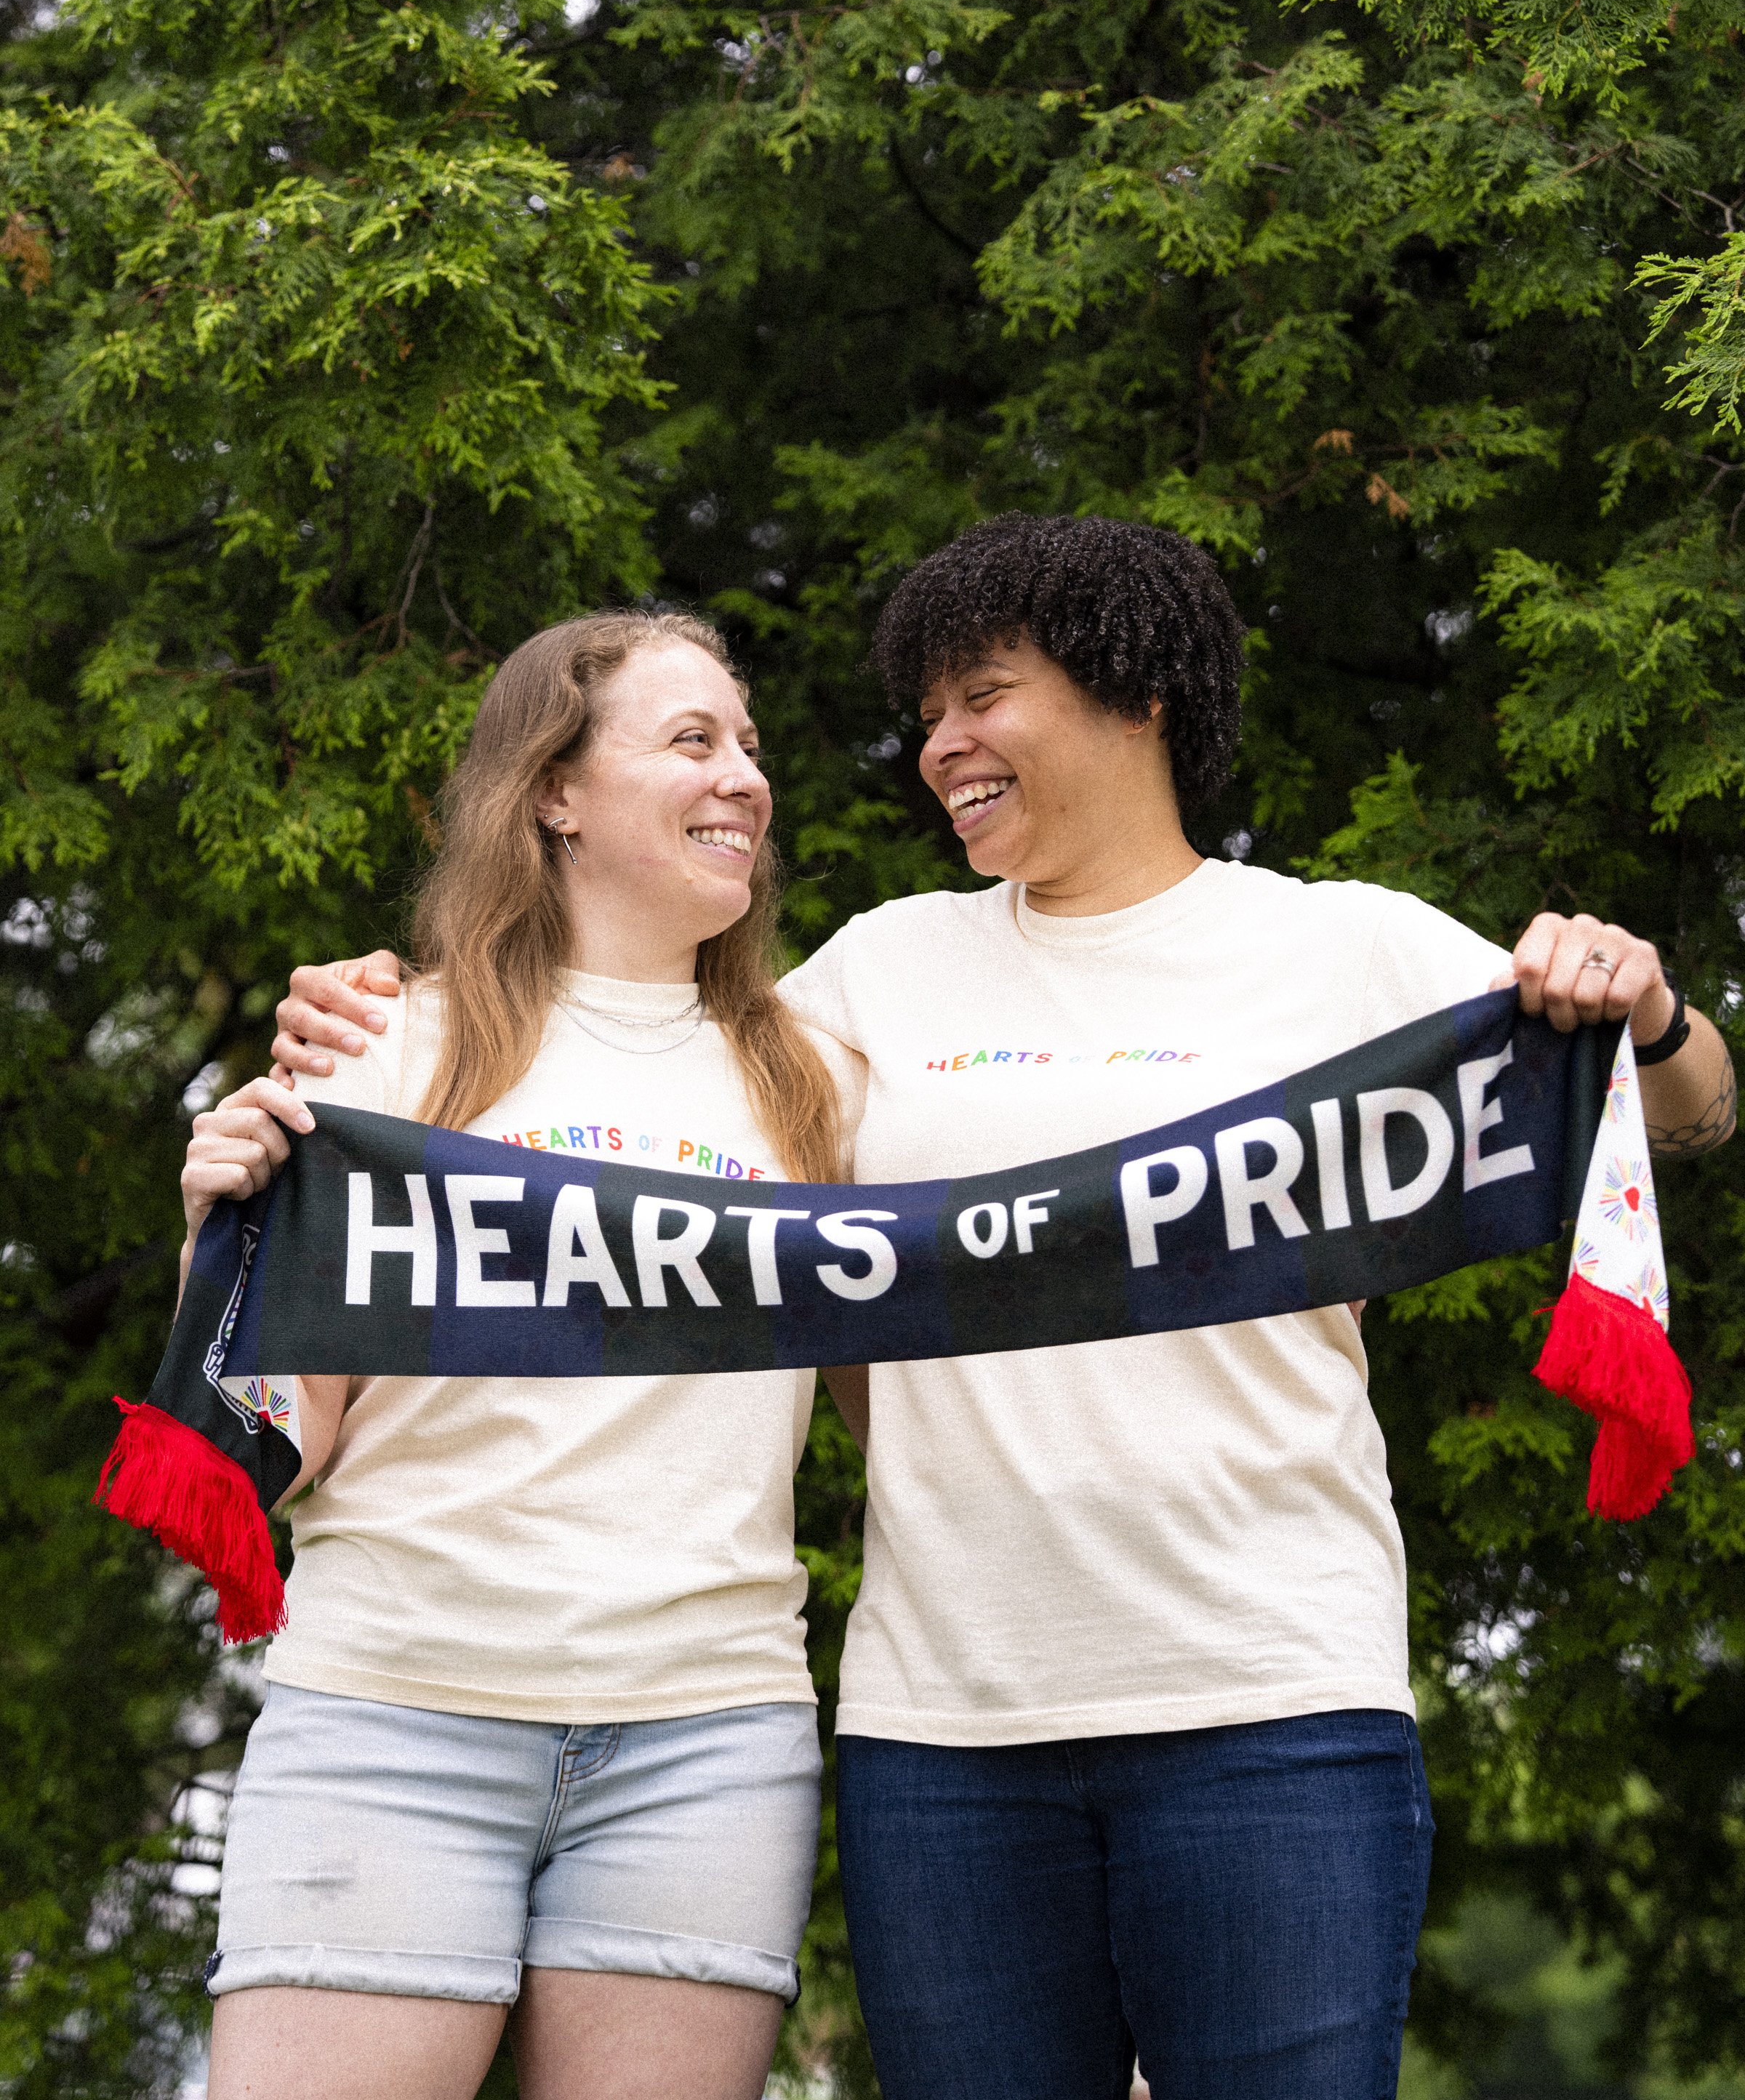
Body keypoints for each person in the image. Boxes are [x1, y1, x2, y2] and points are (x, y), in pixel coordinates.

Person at [276, 515, 1736, 2100]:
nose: (941, 746)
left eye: (983, 696)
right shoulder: (870, 980)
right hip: (945, 1735)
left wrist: (1649, 1009)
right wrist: (383, 1024)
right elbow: (632, 1078)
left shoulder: (1341, 946)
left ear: (1141, 693)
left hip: (1275, 1704)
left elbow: (1684, 1112)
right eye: (928, 715)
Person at [180, 610, 861, 2100]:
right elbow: (277, 1449)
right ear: (555, 790)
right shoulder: (382, 1050)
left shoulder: (821, 1076)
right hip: (392, 1715)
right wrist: (212, 1243)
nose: (744, 777)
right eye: (693, 741)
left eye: (750, 746)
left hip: (707, 1743)